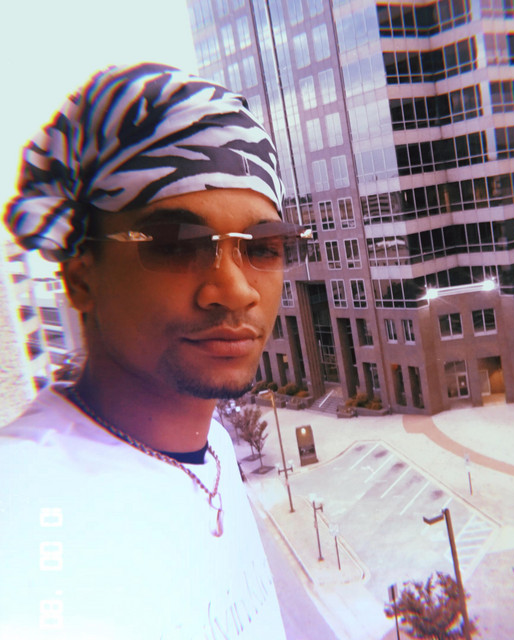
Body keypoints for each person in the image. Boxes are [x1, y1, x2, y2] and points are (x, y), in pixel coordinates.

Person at [0, 62, 310, 639]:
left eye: (263, 246)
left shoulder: (213, 446)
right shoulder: (25, 512)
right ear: (81, 275)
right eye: (174, 244)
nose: (234, 290)